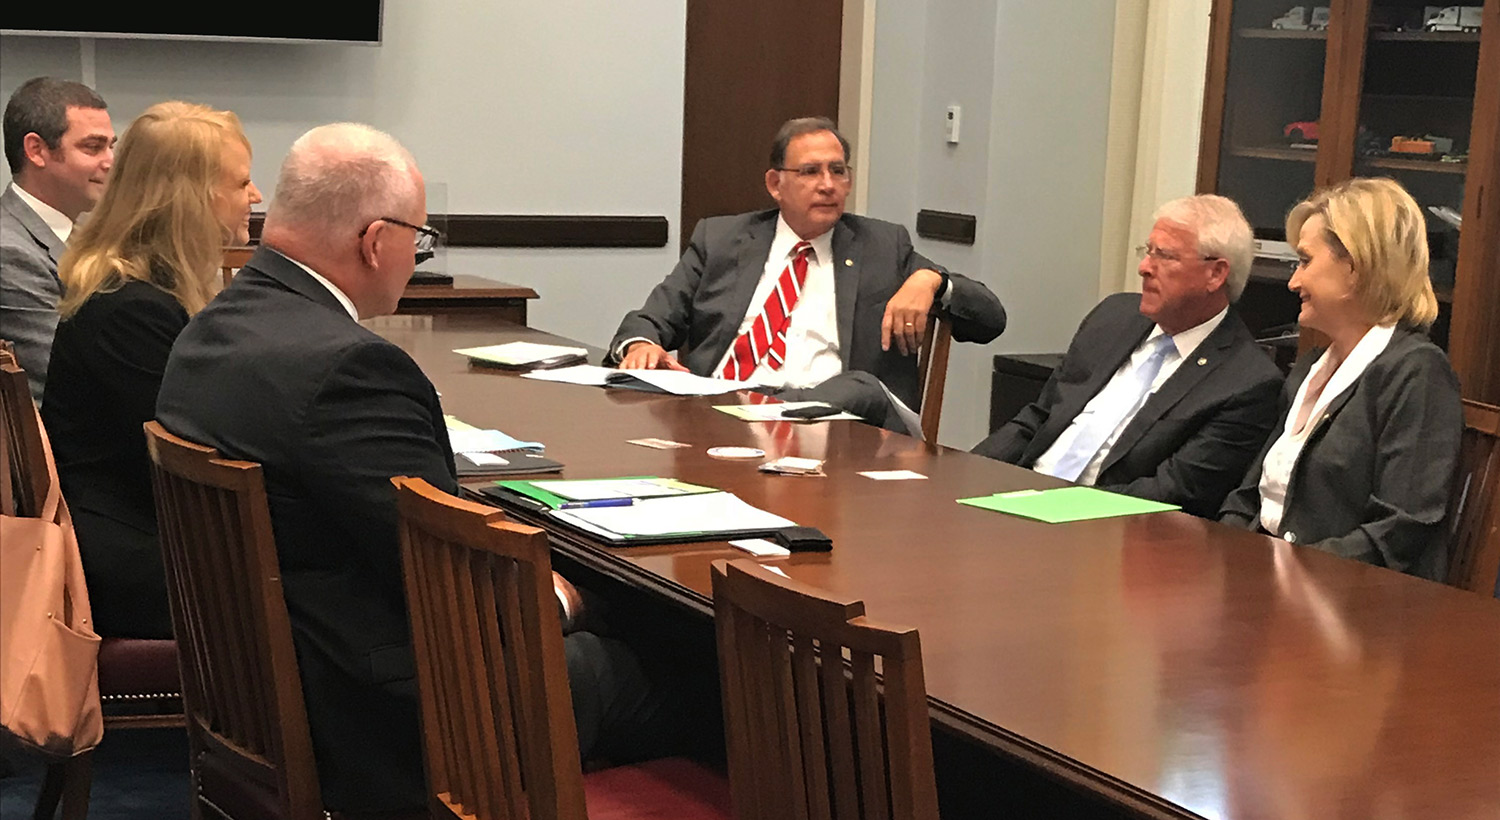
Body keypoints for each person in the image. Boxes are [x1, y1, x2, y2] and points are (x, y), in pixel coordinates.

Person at [156, 123, 678, 816]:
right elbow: (454, 586)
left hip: (263, 683)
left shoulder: (212, 327)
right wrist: (573, 597)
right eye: (420, 239)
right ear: (376, 242)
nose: (416, 255)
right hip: (380, 715)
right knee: (688, 667)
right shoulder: (350, 368)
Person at [607, 116, 1005, 415]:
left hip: (838, 427)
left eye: (838, 171)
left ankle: (772, 405)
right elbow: (650, 318)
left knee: (859, 388)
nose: (828, 184)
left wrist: (932, 280)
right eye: (810, 172)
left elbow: (990, 319)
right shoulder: (723, 240)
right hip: (719, 416)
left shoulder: (882, 246)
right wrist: (642, 343)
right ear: (775, 184)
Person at [38, 102, 259, 640]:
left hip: (133, 532)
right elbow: (196, 453)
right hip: (132, 561)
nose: (255, 197)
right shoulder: (130, 309)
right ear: (194, 198)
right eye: (243, 182)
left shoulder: (138, 290)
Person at [972, 195, 1282, 517]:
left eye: (1165, 256)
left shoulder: (1246, 382)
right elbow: (1040, 417)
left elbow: (1174, 491)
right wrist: (962, 472)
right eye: (1148, 251)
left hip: (1105, 529)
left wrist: (1046, 505)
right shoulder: (1114, 317)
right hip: (1019, 500)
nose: (1145, 268)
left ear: (1215, 275)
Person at [1220, 178, 1462, 579]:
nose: (1293, 282)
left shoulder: (1417, 374)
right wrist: (1224, 557)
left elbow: (1400, 531)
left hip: (1352, 607)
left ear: (1354, 266)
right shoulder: (1310, 369)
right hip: (1273, 585)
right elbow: (1246, 498)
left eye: (1305, 262)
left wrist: (1279, 577)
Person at [0, 77, 114, 403]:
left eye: (111, 146)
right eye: (93, 147)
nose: (110, 162)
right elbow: (68, 375)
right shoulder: (10, 253)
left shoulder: (80, 235)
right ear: (36, 150)